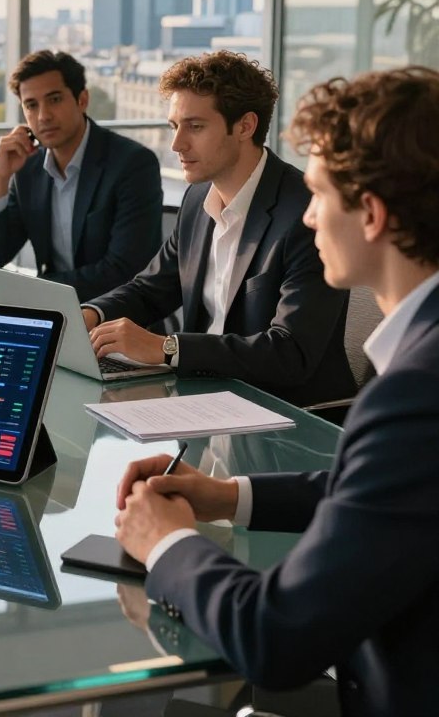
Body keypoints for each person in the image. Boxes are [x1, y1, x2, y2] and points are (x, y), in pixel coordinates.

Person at [114, 67, 439, 716]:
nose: (310, 213)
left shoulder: (415, 394)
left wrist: (168, 543)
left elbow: (277, 636)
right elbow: (388, 491)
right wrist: (227, 496)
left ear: (371, 214)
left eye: (319, 194)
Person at [83, 50, 353, 407]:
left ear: (245, 126)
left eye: (195, 126)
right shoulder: (197, 200)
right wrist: (89, 315)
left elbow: (291, 352)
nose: (177, 144)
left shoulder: (306, 213)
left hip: (288, 415)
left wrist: (167, 348)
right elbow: (151, 290)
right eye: (174, 126)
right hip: (205, 399)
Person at [0, 50, 162, 298]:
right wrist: (0, 177)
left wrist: (33, 286)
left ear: (82, 100)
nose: (43, 116)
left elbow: (124, 270)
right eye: (31, 105)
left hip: (116, 320)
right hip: (51, 314)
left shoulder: (132, 164)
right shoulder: (29, 168)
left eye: (54, 100)